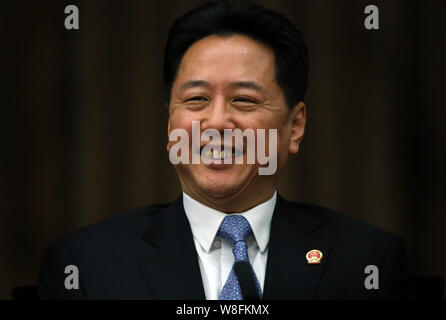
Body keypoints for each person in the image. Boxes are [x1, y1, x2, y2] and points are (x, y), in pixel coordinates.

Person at [37, 1, 414, 299]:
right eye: (197, 99)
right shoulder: (86, 265)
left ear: (294, 127)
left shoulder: (367, 261)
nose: (216, 123)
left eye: (244, 100)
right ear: (171, 123)